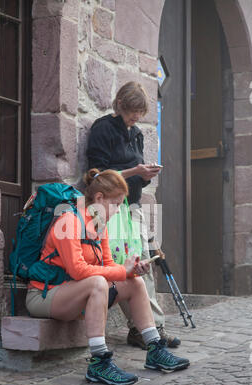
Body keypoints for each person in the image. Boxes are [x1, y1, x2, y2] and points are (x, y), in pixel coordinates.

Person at [25, 169, 190, 385]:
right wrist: (122, 271)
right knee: (97, 283)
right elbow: (78, 271)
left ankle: (155, 349)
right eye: (115, 203)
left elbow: (109, 266)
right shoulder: (70, 221)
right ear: (99, 198)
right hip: (45, 296)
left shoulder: (98, 225)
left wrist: (130, 270)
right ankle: (99, 363)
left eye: (122, 204)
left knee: (135, 283)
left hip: (75, 292)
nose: (118, 210)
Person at [86, 81, 181, 350]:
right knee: (122, 267)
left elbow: (136, 175)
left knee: (142, 267)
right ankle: (141, 329)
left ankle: (153, 328)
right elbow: (97, 174)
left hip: (133, 207)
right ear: (120, 105)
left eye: (139, 113)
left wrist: (146, 174)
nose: (136, 118)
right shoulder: (103, 129)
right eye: (132, 113)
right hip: (111, 208)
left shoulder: (136, 133)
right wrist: (133, 172)